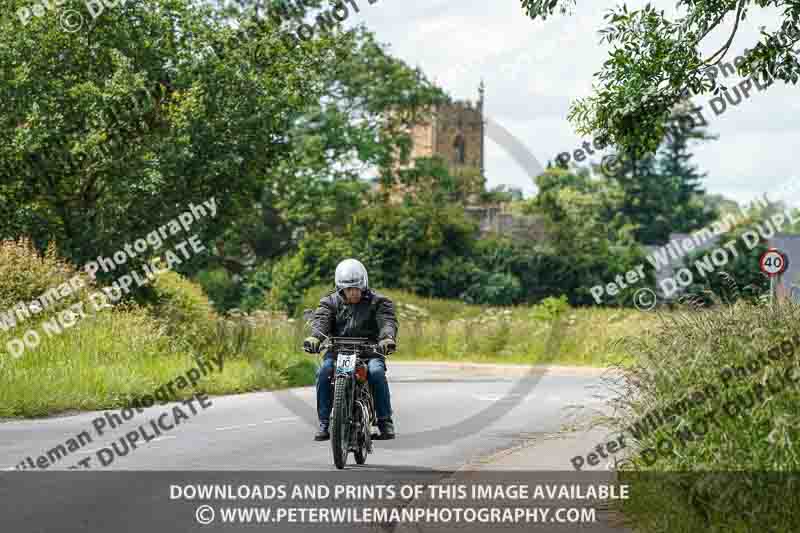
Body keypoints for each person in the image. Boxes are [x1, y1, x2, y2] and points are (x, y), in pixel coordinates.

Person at [303, 259, 398, 442]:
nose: (353, 292)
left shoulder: (379, 302)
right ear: (340, 288)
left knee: (377, 373)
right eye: (348, 289)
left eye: (357, 288)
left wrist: (387, 338)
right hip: (338, 350)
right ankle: (324, 422)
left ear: (364, 285)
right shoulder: (330, 302)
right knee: (323, 372)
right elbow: (322, 321)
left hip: (369, 351)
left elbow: (387, 322)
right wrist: (315, 337)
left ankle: (385, 421)